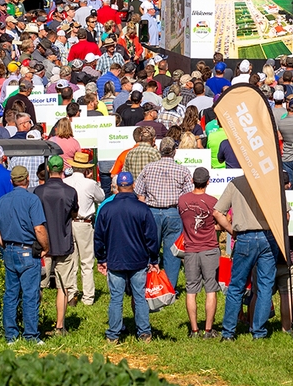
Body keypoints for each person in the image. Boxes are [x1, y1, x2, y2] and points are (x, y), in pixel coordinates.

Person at [213, 174, 285, 341]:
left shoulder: (236, 183)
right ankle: (259, 332)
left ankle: (228, 332)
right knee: (265, 286)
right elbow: (285, 215)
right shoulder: (271, 182)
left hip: (245, 237)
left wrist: (232, 231)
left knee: (236, 286)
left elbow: (217, 212)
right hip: (268, 236)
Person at [95, 172, 159, 343]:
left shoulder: (106, 209)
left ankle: (113, 335)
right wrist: (154, 259)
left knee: (116, 298)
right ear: (133, 185)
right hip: (138, 260)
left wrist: (101, 258)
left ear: (116, 187)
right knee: (139, 297)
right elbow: (152, 237)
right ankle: (144, 333)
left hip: (115, 259)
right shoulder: (142, 208)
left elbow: (98, 237)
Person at [0, 165, 50, 343]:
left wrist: (7, 246)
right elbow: (39, 228)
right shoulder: (32, 200)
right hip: (27, 250)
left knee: (11, 294)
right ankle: (31, 335)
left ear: (11, 181)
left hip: (9, 249)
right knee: (30, 294)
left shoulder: (2, 201)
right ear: (27, 179)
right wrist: (45, 247)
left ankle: (11, 335)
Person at [133, 138, 192, 289]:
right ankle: (170, 289)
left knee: (148, 250)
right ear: (174, 152)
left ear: (159, 150)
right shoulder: (183, 170)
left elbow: (139, 192)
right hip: (173, 212)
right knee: (172, 253)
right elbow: (188, 196)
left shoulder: (148, 168)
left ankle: (146, 286)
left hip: (151, 212)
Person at [35, 155, 79, 335]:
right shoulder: (70, 191)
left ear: (47, 170)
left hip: (43, 244)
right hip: (63, 241)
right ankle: (60, 326)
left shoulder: (39, 191)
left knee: (38, 286)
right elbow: (74, 214)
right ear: (62, 170)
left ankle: (34, 323)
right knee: (63, 286)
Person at [178, 167, 221, 338]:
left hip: (190, 250)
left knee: (191, 290)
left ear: (192, 181)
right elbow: (218, 221)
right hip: (209, 248)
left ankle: (194, 330)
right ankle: (208, 330)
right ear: (208, 182)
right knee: (211, 289)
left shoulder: (182, 200)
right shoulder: (212, 202)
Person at [64, 150, 105, 306]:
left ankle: (71, 293)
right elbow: (101, 197)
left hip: (68, 222)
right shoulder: (90, 183)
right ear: (86, 169)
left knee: (71, 260)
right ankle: (88, 297)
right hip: (84, 223)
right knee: (87, 261)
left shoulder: (66, 182)